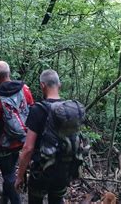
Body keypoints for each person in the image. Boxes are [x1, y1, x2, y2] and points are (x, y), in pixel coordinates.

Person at [15, 69, 86, 204]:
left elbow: (28, 148)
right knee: (57, 200)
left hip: (41, 171)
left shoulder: (37, 109)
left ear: (42, 85)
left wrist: (20, 176)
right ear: (59, 85)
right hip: (63, 172)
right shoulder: (69, 112)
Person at [0, 61, 34, 204]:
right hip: (24, 139)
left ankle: (15, 200)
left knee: (8, 175)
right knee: (10, 174)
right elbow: (32, 108)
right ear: (9, 72)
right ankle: (4, 198)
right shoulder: (24, 88)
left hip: (5, 144)